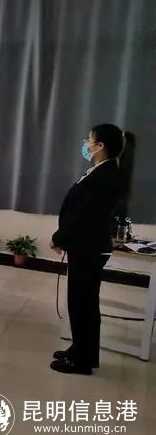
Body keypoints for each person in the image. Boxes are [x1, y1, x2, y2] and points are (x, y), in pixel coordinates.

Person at [50, 124, 123, 376]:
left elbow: (83, 215)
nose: (86, 143)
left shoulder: (105, 176)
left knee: (82, 304)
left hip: (88, 247)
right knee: (84, 303)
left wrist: (59, 237)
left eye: (89, 140)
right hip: (85, 246)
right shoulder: (101, 171)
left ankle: (81, 362)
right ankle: (80, 351)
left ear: (100, 146)